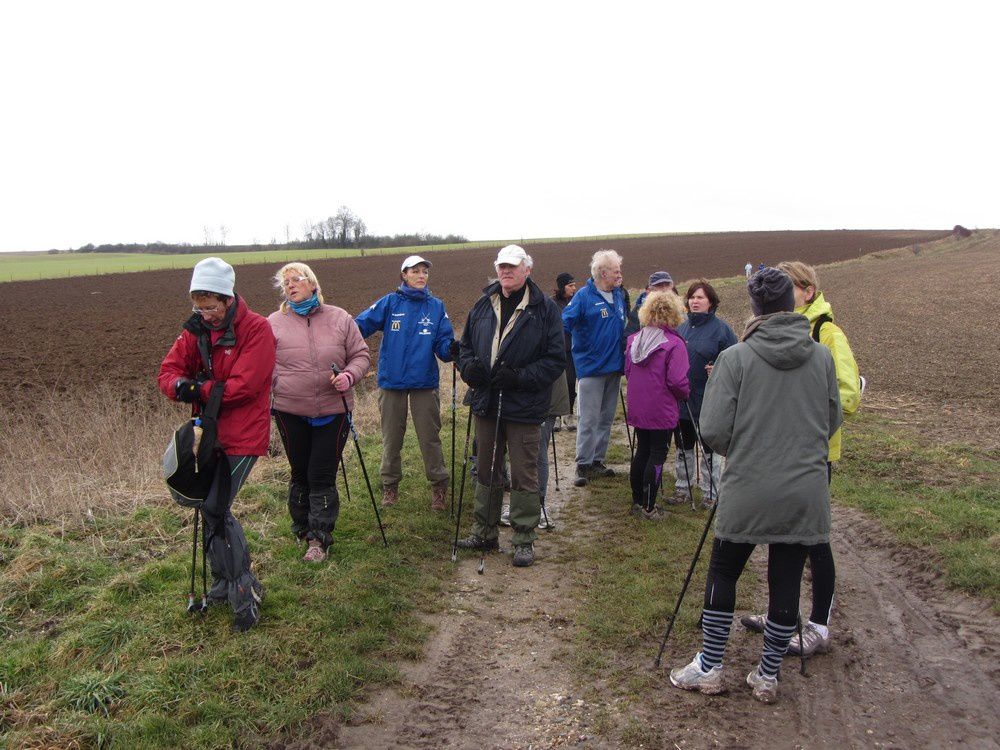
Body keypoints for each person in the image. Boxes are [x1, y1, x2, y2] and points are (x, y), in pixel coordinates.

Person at [669, 268, 842, 704]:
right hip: (804, 486)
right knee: (785, 579)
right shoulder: (821, 357)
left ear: (755, 310)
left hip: (748, 482)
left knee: (724, 570)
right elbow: (832, 419)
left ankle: (709, 667)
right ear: (791, 307)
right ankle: (767, 676)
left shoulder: (737, 358)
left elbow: (711, 429)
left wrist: (746, 447)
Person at [740, 261, 861, 657]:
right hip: (781, 449)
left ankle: (820, 627)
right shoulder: (785, 328)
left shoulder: (827, 332)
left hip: (813, 452)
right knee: (782, 535)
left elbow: (848, 395)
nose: (783, 296)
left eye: (790, 288)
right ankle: (782, 615)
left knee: (813, 539)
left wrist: (801, 417)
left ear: (807, 291)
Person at [158, 257, 275, 632]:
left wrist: (197, 388)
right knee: (210, 509)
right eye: (199, 306)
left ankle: (243, 587)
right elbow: (168, 373)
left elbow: (246, 386)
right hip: (207, 434)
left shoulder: (256, 330)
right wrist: (183, 386)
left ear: (227, 299)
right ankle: (226, 582)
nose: (205, 314)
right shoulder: (195, 331)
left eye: (210, 306)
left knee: (215, 507)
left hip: (243, 434)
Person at [456, 245, 565, 567]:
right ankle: (484, 532)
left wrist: (519, 377)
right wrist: (469, 368)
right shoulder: (482, 304)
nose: (506, 271)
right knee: (487, 469)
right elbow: (465, 347)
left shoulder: (545, 309)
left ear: (527, 269)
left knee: (523, 473)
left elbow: (555, 359)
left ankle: (523, 539)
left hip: (525, 404)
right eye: (502, 266)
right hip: (487, 401)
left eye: (513, 266)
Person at [268, 262, 370, 563]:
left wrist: (348, 377)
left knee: (320, 474)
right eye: (284, 282)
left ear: (313, 284)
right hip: (289, 410)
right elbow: (260, 362)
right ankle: (301, 527)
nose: (290, 285)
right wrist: (276, 383)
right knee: (300, 472)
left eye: (296, 279)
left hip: (333, 410)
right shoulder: (273, 322)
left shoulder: (339, 318)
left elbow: (361, 355)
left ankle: (319, 538)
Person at [355, 255, 458, 510]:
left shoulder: (436, 306)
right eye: (415, 271)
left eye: (424, 271)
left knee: (429, 437)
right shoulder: (390, 303)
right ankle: (390, 486)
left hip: (424, 382)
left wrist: (454, 349)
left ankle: (439, 487)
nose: (421, 275)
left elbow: (443, 346)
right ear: (404, 275)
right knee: (391, 438)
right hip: (392, 381)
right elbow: (358, 326)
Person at [562, 249, 627, 487]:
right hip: (591, 369)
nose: (620, 275)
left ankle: (598, 460)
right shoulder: (583, 296)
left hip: (614, 368)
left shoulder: (618, 295)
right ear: (603, 273)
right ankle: (583, 463)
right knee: (589, 419)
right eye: (616, 271)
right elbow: (565, 324)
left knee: (606, 418)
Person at [671, 280, 738, 507]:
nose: (695, 301)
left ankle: (711, 492)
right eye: (692, 297)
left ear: (711, 302)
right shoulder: (680, 327)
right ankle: (683, 488)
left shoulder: (722, 330)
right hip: (682, 400)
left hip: (709, 399)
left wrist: (717, 368)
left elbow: (735, 361)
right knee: (683, 445)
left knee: (709, 448)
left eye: (700, 297)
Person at [624, 291, 690, 520]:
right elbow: (677, 381)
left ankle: (637, 500)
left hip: (639, 406)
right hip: (662, 407)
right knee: (658, 454)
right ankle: (649, 507)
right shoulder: (674, 344)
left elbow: (628, 371)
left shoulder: (634, 340)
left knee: (642, 450)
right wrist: (685, 393)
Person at [552, 272, 578, 431]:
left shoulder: (576, 302)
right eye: (570, 285)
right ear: (562, 287)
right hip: (556, 350)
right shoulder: (552, 303)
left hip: (571, 350)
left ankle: (568, 415)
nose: (574, 288)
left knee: (570, 382)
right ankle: (554, 416)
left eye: (574, 285)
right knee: (555, 384)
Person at [625, 271, 674, 336]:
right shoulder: (639, 311)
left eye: (667, 285)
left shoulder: (678, 310)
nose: (664, 289)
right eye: (659, 285)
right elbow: (628, 337)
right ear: (650, 289)